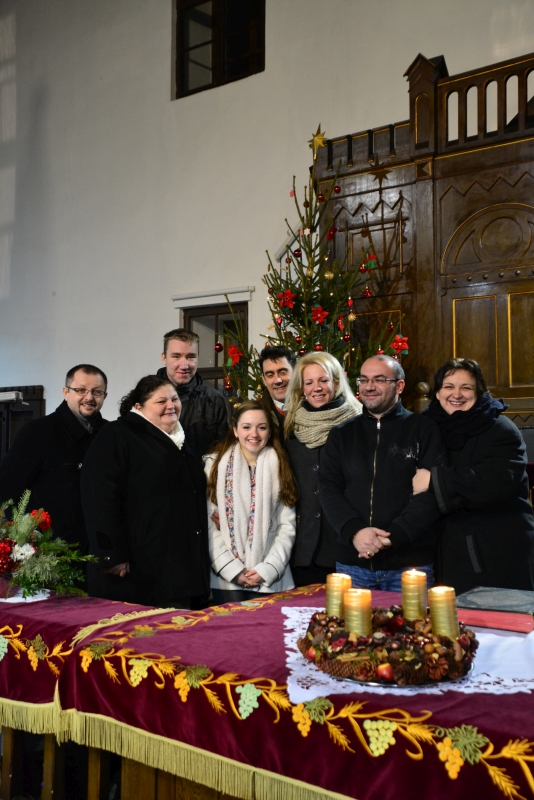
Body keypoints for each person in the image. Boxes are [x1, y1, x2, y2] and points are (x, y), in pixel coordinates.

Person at [81, 375, 210, 608]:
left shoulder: (182, 439)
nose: (171, 405)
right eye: (161, 401)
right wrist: (111, 555)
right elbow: (99, 498)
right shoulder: (117, 434)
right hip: (137, 572)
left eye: (174, 399)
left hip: (181, 568)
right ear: (139, 407)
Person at [319, 354, 445, 591]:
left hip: (409, 565)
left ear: (399, 385)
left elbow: (431, 494)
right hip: (352, 564)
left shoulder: (424, 430)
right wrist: (355, 532)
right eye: (364, 380)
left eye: (379, 380)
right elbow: (328, 489)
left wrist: (392, 537)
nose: (369, 387)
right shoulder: (341, 434)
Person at [413, 357, 534, 594]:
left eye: (466, 387)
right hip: (445, 550)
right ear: (437, 393)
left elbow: (493, 482)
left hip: (495, 551)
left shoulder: (500, 429)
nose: (456, 394)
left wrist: (434, 480)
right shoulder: (427, 427)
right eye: (448, 386)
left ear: (478, 392)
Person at [0, 364, 108, 549]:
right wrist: (23, 540)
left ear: (105, 396)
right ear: (66, 392)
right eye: (81, 390)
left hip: (98, 548)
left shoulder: (110, 434)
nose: (89, 397)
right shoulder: (36, 432)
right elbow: (7, 491)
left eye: (97, 392)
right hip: (48, 550)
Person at [204, 400, 298, 604]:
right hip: (227, 577)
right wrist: (232, 570)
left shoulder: (280, 466)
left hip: (270, 576)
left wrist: (268, 568)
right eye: (246, 427)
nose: (254, 434)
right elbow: (209, 526)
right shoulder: (213, 466)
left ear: (269, 432)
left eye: (261, 427)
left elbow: (287, 527)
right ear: (235, 430)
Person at [284, 352, 362, 587]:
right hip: (303, 551)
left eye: (323, 380)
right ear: (302, 388)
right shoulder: (292, 428)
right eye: (309, 382)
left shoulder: (357, 425)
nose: (316, 388)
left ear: (336, 383)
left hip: (346, 545)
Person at [158, 328, 228, 459]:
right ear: (164, 358)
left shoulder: (214, 399)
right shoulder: (145, 398)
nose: (184, 365)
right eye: (176, 356)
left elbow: (223, 451)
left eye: (190, 357)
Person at [258, 346, 296, 436]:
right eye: (270, 375)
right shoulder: (256, 413)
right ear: (264, 380)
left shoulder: (313, 407)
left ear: (295, 373)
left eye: (283, 372)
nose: (277, 381)